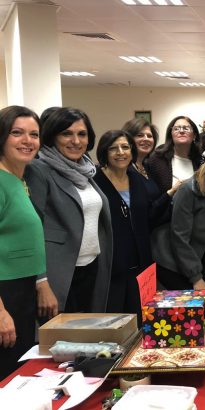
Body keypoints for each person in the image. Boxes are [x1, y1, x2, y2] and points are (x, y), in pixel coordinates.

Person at [25, 107, 113, 316]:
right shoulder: (38, 170)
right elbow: (31, 231)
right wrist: (41, 281)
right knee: (60, 335)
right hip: (59, 273)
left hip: (91, 268)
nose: (76, 141)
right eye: (66, 134)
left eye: (82, 134)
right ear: (52, 136)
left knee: (87, 332)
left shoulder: (85, 170)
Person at [94, 130, 175, 319]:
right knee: (113, 320)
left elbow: (150, 215)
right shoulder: (95, 181)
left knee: (141, 317)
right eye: (113, 148)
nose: (120, 152)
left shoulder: (137, 179)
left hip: (140, 262)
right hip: (110, 264)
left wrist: (170, 194)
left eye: (125, 147)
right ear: (104, 152)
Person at [151, 144, 205, 314]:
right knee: (196, 309)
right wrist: (196, 278)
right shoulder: (189, 189)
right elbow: (179, 237)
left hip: (199, 257)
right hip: (170, 259)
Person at [0, 106, 45, 379]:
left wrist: (41, 282)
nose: (27, 141)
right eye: (17, 133)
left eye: (34, 134)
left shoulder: (18, 180)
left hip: (22, 290)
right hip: (5, 294)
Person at [147, 115, 201, 193]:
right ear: (171, 135)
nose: (181, 131)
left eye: (186, 128)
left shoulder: (201, 160)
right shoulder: (157, 159)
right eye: (176, 129)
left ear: (194, 135)